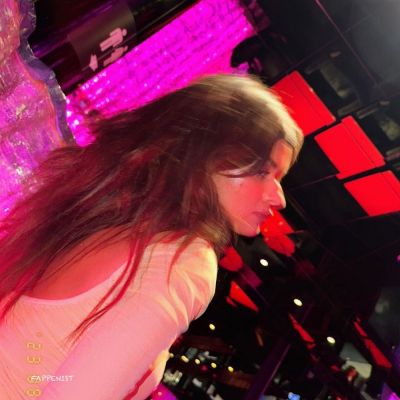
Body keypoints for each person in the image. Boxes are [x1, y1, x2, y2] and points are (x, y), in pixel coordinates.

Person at [0, 74, 303, 399]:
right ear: (205, 154)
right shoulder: (184, 260)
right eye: (263, 171)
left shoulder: (112, 215)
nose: (279, 198)